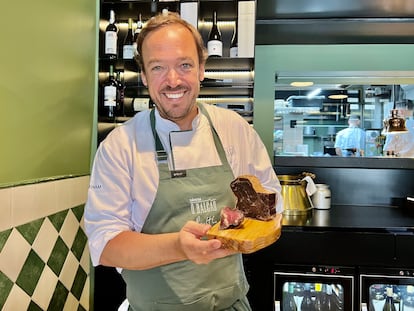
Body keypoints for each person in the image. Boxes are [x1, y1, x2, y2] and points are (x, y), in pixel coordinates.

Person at [85, 12, 283, 311]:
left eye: (185, 65)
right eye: (158, 67)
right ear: (144, 76)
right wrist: (178, 246)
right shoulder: (120, 146)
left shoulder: (234, 129)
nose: (173, 80)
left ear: (202, 69)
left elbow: (270, 204)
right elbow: (106, 245)